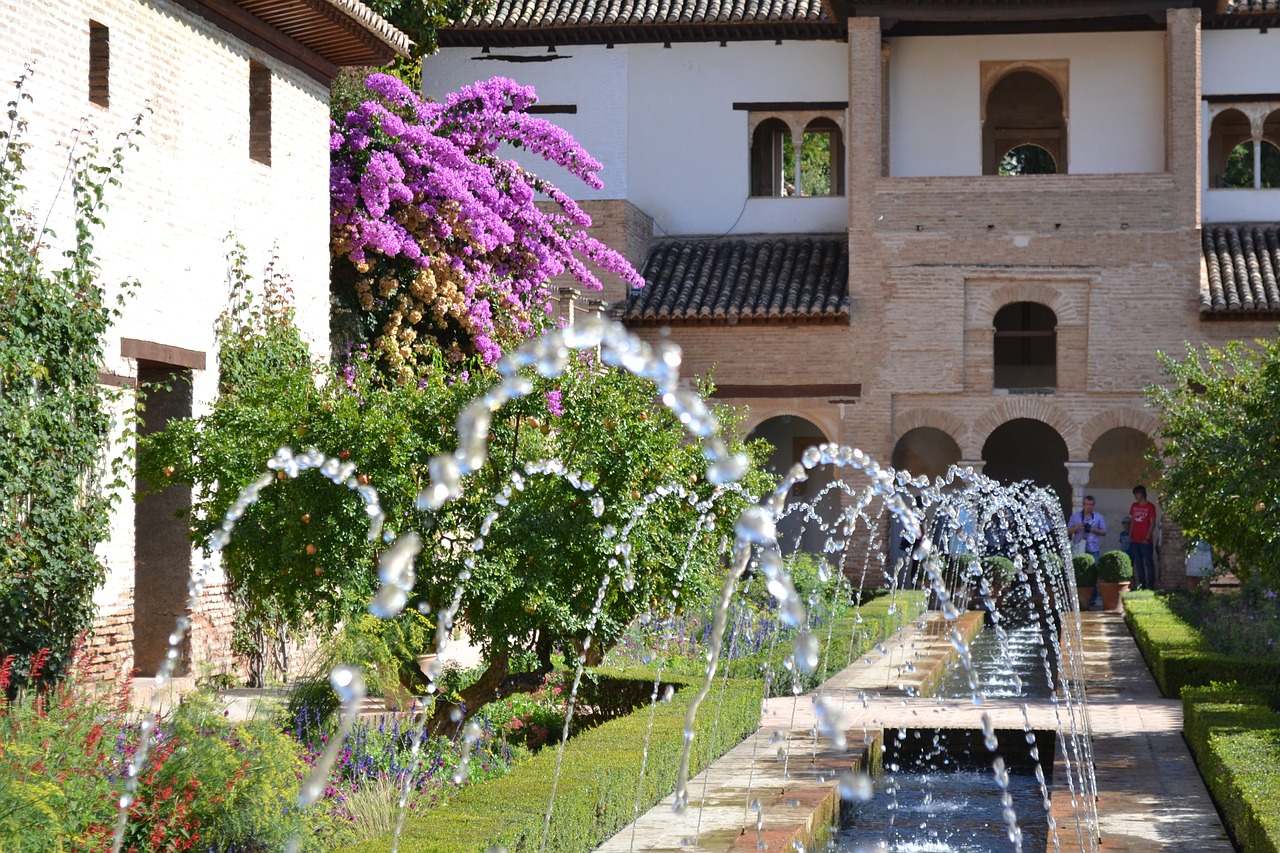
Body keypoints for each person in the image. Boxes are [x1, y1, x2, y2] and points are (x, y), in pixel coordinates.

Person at [1067, 496, 1107, 608]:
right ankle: (1077, 598)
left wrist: (1094, 530)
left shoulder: (1098, 517)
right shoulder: (1075, 517)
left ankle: (1092, 599)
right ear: (1083, 504)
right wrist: (1078, 527)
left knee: (1094, 573)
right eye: (1087, 504)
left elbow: (1104, 532)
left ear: (1093, 505)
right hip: (1079, 548)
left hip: (1093, 548)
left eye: (1091, 505)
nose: (1089, 507)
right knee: (1078, 573)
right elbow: (1068, 530)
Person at [1128, 486, 1158, 590]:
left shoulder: (1150, 506)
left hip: (1146, 541)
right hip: (1135, 540)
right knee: (1138, 563)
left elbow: (1152, 523)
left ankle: (1151, 585)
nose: (1136, 496)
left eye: (1137, 494)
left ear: (1142, 494)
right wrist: (1130, 535)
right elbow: (1132, 522)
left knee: (1148, 563)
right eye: (1135, 494)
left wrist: (1147, 537)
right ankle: (1142, 585)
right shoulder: (1134, 506)